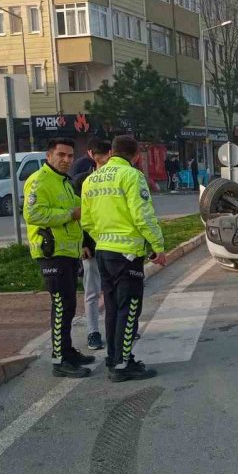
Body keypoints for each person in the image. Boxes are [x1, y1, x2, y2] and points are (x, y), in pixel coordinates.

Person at [82, 135, 166, 382]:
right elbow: (143, 215)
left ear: (111, 152)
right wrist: (157, 246)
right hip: (127, 254)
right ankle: (123, 364)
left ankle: (113, 357)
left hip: (104, 252)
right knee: (129, 309)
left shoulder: (91, 180)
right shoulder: (132, 176)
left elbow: (86, 221)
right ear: (136, 155)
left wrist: (103, 239)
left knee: (112, 308)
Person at [23, 138, 97, 378]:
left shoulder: (64, 182)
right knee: (60, 306)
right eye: (61, 155)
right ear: (49, 156)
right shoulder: (39, 181)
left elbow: (80, 209)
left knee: (68, 305)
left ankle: (66, 350)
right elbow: (33, 213)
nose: (66, 160)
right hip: (51, 253)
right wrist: (69, 214)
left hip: (67, 253)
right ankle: (59, 360)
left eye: (69, 156)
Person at [71, 138, 112, 351]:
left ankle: (118, 329)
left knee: (113, 291)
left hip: (114, 245)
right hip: (92, 247)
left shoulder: (117, 179)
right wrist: (82, 244)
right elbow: (80, 215)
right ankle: (93, 332)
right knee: (92, 292)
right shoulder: (81, 181)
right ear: (92, 156)